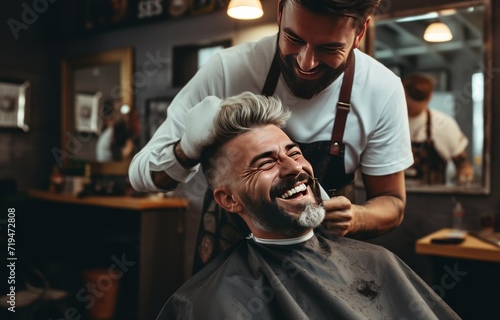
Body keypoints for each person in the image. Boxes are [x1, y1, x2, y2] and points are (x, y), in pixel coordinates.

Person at [129, 0, 413, 272]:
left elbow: (392, 202)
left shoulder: (381, 89)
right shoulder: (229, 70)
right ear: (280, 10)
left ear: (360, 32)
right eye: (293, 38)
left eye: (329, 48)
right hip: (229, 271)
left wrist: (357, 216)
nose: (306, 62)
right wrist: (186, 149)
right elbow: (141, 176)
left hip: (324, 272)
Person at [156, 92, 458, 320]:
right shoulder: (202, 302)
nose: (294, 168)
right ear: (229, 199)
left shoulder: (378, 263)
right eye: (266, 163)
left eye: (295, 152)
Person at [402, 74, 474, 185]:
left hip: (434, 199)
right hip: (394, 198)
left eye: (419, 99)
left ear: (429, 97)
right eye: (410, 98)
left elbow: (462, 164)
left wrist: (464, 180)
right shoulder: (388, 123)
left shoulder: (444, 124)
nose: (413, 105)